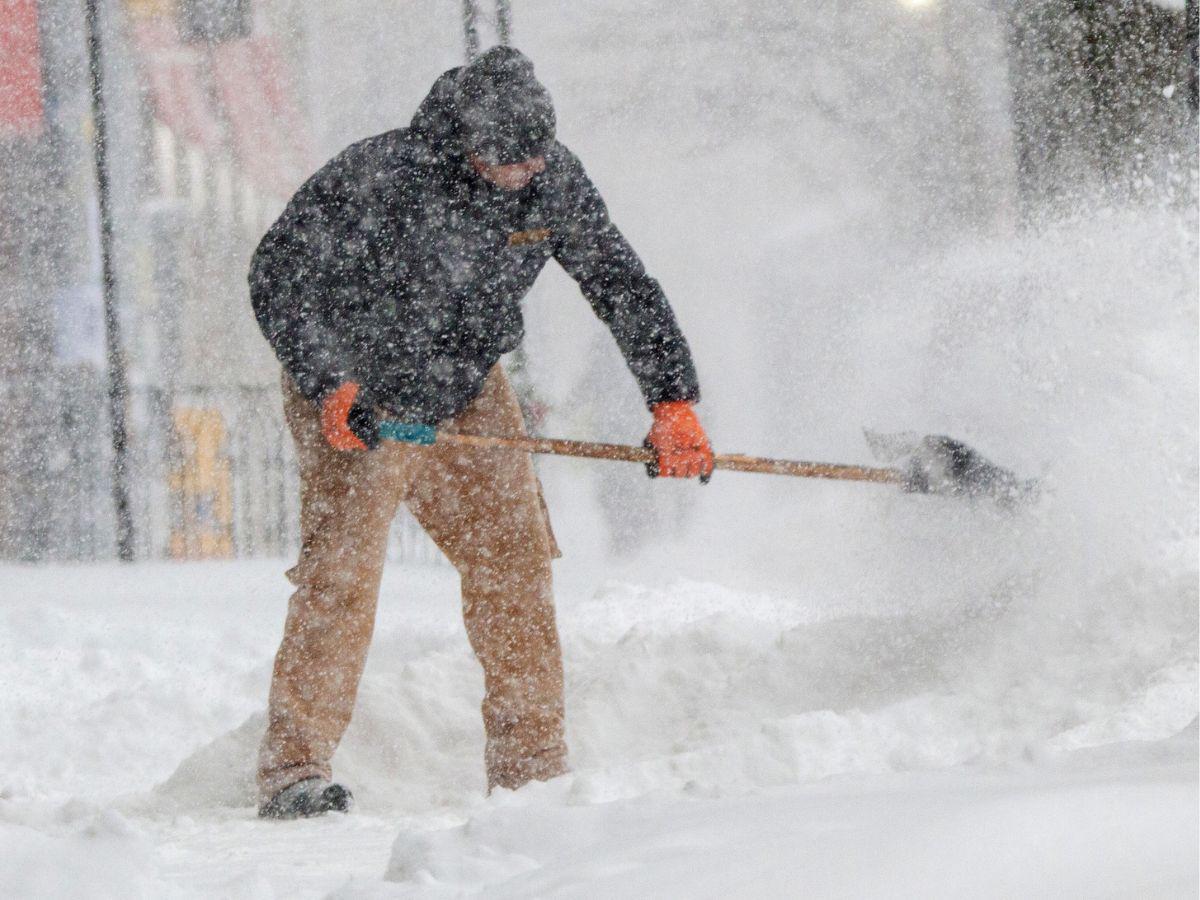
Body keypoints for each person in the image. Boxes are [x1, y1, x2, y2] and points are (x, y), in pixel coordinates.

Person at [248, 46, 714, 819]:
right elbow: (278, 274)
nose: (529, 172)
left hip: (467, 382)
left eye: (538, 156)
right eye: (512, 161)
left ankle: (533, 773)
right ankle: (294, 770)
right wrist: (329, 380)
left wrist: (672, 400)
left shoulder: (551, 179)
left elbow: (620, 282)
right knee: (343, 574)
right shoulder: (380, 175)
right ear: (470, 145)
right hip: (361, 391)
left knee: (516, 563)